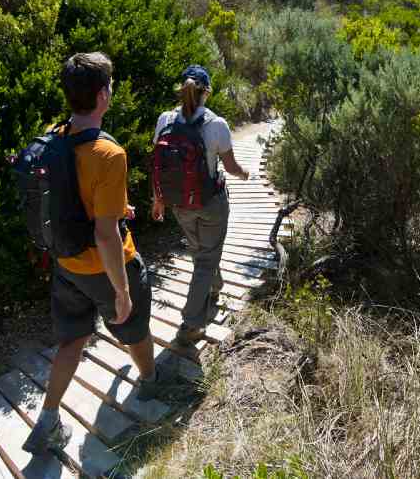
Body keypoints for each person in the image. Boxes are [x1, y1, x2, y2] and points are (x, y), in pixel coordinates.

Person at [22, 52, 161, 455]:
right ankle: (151, 381)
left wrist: (119, 209)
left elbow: (70, 197)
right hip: (103, 266)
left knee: (72, 340)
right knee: (133, 328)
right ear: (103, 95)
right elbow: (105, 235)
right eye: (112, 85)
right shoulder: (109, 154)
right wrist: (121, 290)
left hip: (66, 264)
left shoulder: (55, 134)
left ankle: (47, 418)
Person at [151, 64, 251, 348]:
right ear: (206, 92)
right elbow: (230, 167)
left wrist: (157, 200)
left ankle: (215, 286)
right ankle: (192, 325)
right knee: (206, 256)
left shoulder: (165, 120)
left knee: (201, 251)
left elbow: (159, 165)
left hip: (179, 204)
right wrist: (244, 173)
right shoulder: (215, 124)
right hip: (210, 203)